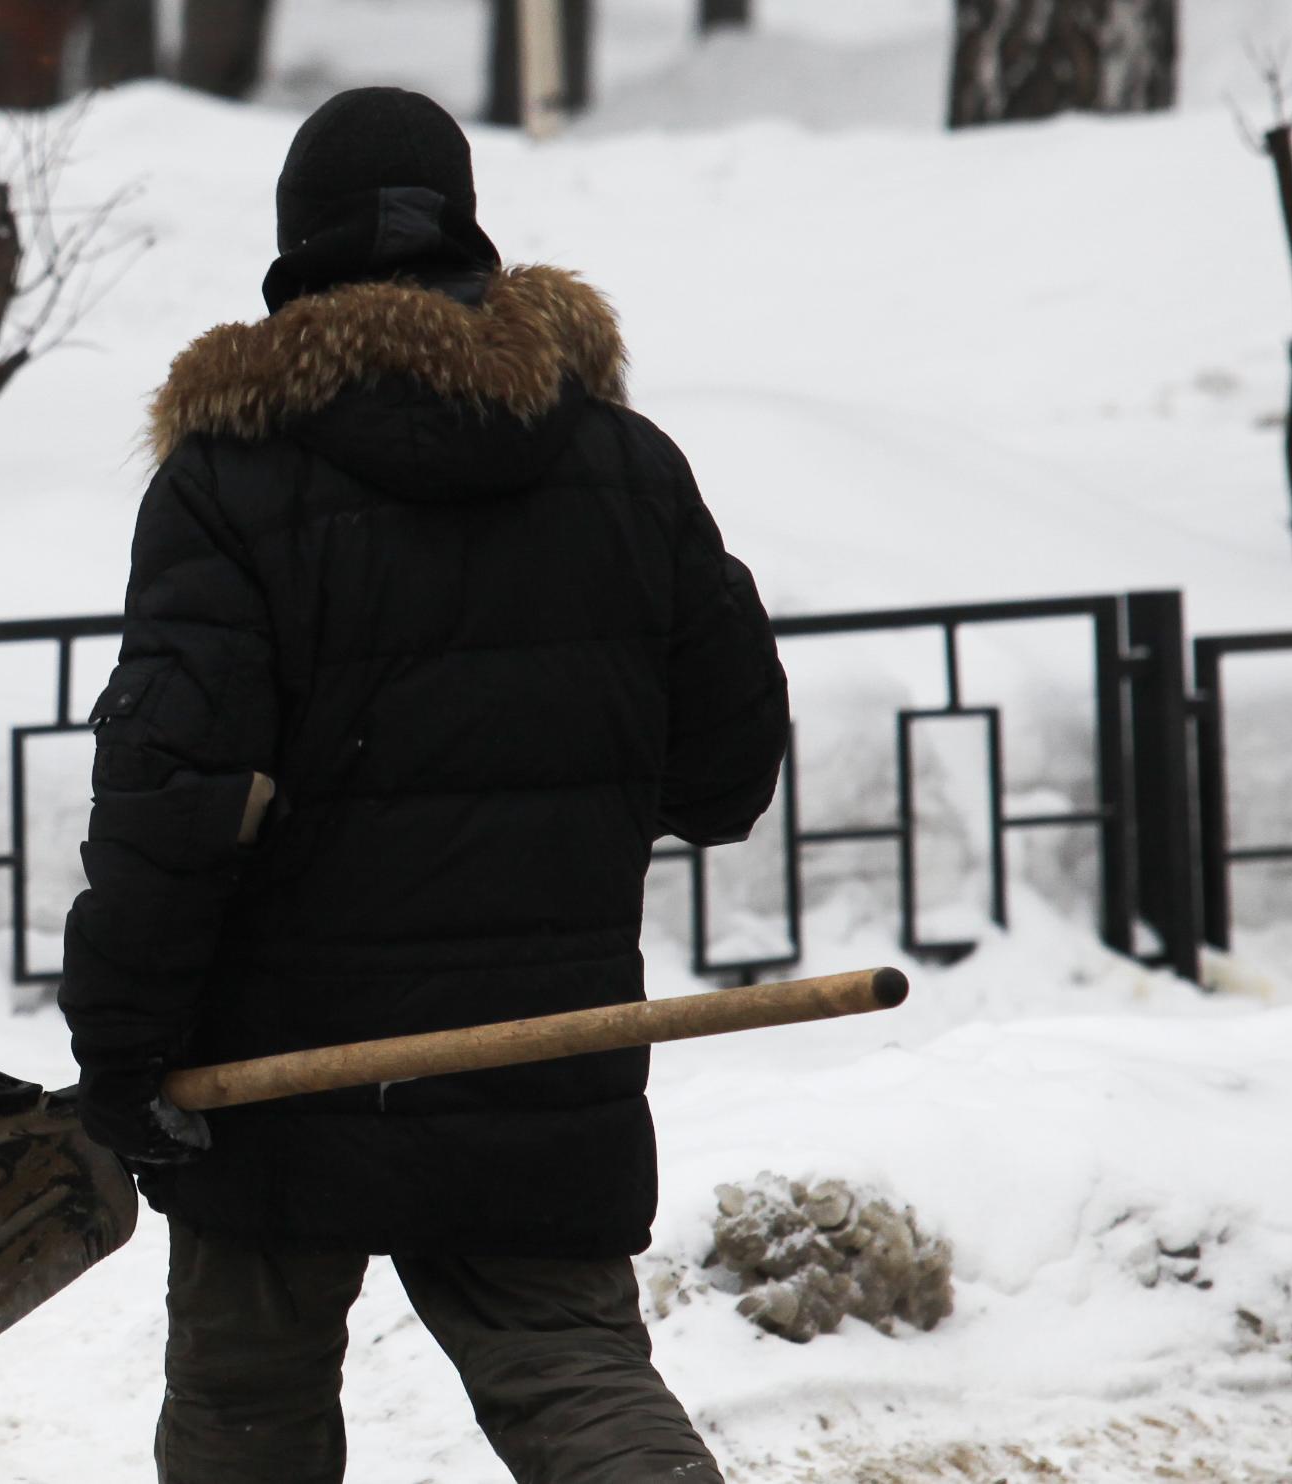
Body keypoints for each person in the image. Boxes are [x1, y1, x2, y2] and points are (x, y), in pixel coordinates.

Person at [55, 86, 791, 1484]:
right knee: (577, 1380)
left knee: (247, 1410)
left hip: (272, 1070)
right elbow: (724, 774)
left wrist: (125, 1051)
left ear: (297, 251)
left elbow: (177, 797)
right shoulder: (624, 467)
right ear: (469, 234)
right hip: (541, 1052)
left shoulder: (229, 482)